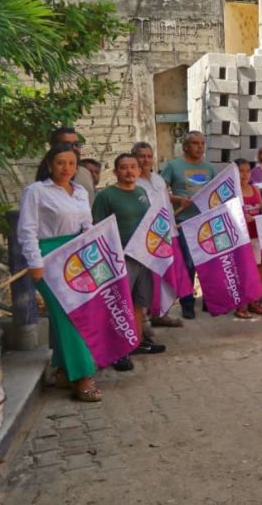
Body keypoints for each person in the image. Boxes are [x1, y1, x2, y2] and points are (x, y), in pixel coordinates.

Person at [18, 144, 101, 402]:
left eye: (71, 164)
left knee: (79, 313)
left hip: (76, 256)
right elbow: (27, 229)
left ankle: (65, 370)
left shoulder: (79, 192)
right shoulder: (36, 191)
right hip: (48, 257)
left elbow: (86, 223)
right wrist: (35, 262)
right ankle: (82, 377)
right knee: (69, 316)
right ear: (49, 165)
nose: (66, 169)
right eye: (60, 163)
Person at [91, 153, 168, 371]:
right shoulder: (106, 196)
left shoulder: (142, 192)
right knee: (119, 304)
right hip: (119, 258)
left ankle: (135, 342)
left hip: (143, 256)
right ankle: (117, 351)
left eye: (133, 167)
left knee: (138, 302)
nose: (129, 171)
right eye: (124, 168)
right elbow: (97, 227)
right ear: (115, 172)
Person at [160, 131, 217, 319]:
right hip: (183, 222)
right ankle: (187, 302)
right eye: (195, 143)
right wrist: (177, 199)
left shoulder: (209, 168)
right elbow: (159, 192)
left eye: (202, 143)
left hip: (205, 222)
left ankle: (209, 299)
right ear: (185, 146)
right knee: (188, 264)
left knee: (207, 262)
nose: (199, 147)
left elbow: (214, 192)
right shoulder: (173, 166)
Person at [132, 141, 183, 328]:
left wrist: (173, 226)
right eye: (141, 156)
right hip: (144, 238)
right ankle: (144, 317)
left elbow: (166, 205)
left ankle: (162, 313)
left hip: (166, 234)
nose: (145, 160)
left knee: (165, 273)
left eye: (148, 156)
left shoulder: (159, 180)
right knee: (146, 278)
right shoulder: (133, 182)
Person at [235, 159, 262, 315]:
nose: (244, 174)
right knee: (244, 270)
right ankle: (241, 305)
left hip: (257, 236)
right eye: (240, 171)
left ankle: (253, 300)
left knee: (259, 268)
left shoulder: (256, 190)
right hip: (242, 239)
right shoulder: (232, 192)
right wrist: (243, 217)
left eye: (247, 171)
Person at [50, 127, 95, 207]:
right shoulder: (38, 188)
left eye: (77, 144)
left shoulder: (85, 173)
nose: (74, 148)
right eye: (67, 144)